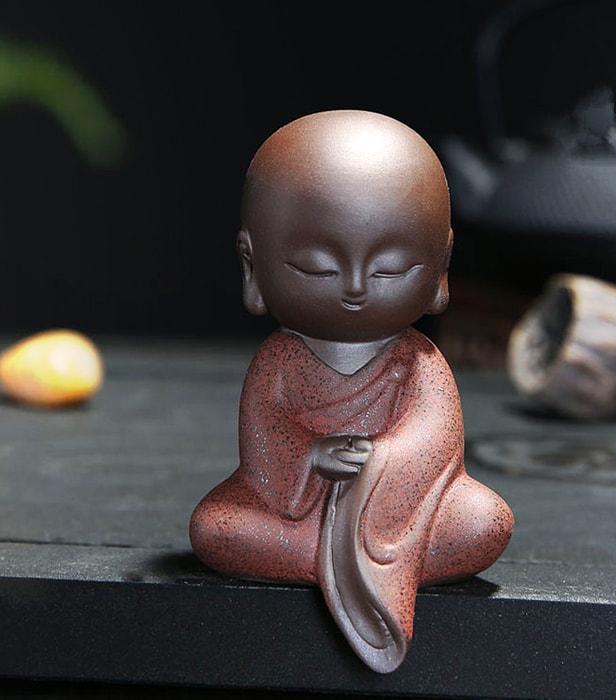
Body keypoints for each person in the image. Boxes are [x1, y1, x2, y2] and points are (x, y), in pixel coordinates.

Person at [190, 110, 513, 673]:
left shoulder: (420, 364)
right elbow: (265, 450)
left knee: (484, 522)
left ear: (441, 269)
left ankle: (332, 562)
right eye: (317, 269)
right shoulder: (278, 364)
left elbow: (434, 443)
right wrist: (313, 456)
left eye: (390, 270)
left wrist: (378, 458)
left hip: (400, 517)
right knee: (216, 528)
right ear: (252, 266)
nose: (357, 288)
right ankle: (342, 566)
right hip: (297, 508)